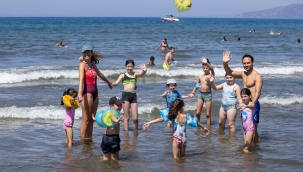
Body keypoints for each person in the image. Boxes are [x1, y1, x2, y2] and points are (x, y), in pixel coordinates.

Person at [143, 99, 209, 159]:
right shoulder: (186, 116)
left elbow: (160, 119)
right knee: (183, 157)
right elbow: (196, 122)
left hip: (176, 138)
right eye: (183, 106)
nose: (184, 107)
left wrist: (149, 123)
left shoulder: (173, 117)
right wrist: (204, 127)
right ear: (182, 107)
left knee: (175, 158)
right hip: (184, 139)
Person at [222, 50, 263, 143]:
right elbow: (229, 72)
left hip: (253, 105)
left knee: (253, 130)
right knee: (247, 129)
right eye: (244, 63)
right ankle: (248, 146)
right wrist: (225, 63)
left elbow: (258, 92)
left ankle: (256, 148)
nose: (246, 65)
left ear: (252, 62)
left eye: (248, 63)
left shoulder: (257, 76)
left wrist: (252, 104)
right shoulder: (243, 74)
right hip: (244, 105)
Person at [78, 45, 113, 139]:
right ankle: (82, 142)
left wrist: (108, 82)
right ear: (82, 53)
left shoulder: (93, 65)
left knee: (92, 120)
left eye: (88, 51)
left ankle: (89, 140)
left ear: (91, 53)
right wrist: (79, 92)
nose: (86, 53)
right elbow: (81, 79)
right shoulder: (82, 65)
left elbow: (100, 74)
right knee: (86, 120)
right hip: (87, 93)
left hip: (95, 94)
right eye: (84, 52)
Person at [111, 60, 147, 131]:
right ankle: (126, 132)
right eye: (128, 66)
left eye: (131, 66)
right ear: (125, 67)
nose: (129, 68)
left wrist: (144, 70)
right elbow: (116, 82)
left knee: (135, 118)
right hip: (125, 96)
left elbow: (141, 74)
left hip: (133, 96)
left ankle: (135, 132)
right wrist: (110, 83)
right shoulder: (123, 75)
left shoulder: (135, 74)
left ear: (133, 67)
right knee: (126, 117)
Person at [188, 57, 215, 126]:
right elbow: (196, 85)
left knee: (208, 114)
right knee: (197, 113)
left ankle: (208, 128)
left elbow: (212, 70)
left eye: (207, 68)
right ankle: (198, 125)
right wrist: (193, 92)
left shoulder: (211, 75)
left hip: (208, 95)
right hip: (200, 94)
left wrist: (207, 63)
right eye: (204, 68)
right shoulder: (200, 76)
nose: (205, 69)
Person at [101, 96, 124, 161]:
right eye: (117, 105)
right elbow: (112, 118)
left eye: (120, 105)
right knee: (115, 158)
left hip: (105, 137)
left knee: (106, 157)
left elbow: (101, 119)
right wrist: (117, 120)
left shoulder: (107, 113)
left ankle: (104, 167)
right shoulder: (113, 114)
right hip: (113, 138)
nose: (120, 107)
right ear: (111, 106)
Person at [238, 88, 255, 153]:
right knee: (247, 147)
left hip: (250, 129)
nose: (243, 98)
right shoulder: (243, 104)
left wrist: (246, 106)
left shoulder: (250, 104)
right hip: (244, 129)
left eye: (245, 96)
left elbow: (253, 106)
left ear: (250, 96)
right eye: (242, 97)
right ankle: (251, 160)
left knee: (245, 149)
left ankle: (249, 161)